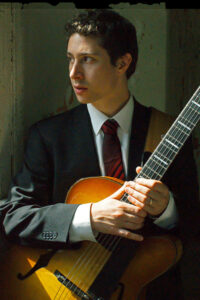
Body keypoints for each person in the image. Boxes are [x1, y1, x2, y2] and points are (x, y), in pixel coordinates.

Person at [0, 9, 199, 299]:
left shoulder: (169, 131)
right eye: (70, 59)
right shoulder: (48, 135)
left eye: (87, 60)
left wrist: (167, 210)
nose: (73, 73)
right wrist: (88, 217)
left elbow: (193, 224)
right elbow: (13, 217)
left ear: (122, 63)